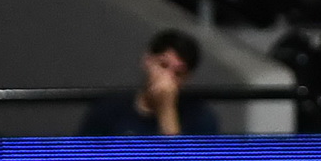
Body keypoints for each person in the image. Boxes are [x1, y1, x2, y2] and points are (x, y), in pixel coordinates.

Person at [78, 29, 219, 137]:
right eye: (163, 65)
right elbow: (81, 158)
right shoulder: (109, 108)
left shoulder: (200, 118)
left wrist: (166, 109)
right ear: (147, 60)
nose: (167, 78)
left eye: (178, 73)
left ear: (187, 78)